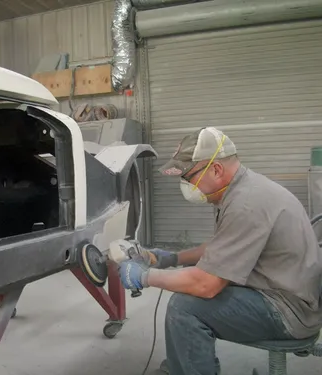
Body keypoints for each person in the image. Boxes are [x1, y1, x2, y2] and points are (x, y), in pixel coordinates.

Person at [117, 126, 322, 375]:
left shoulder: (245, 203)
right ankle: (181, 366)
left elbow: (206, 284)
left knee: (185, 306)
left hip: (289, 312)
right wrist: (170, 258)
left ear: (215, 168)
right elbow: (219, 250)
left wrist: (143, 276)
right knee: (194, 281)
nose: (186, 184)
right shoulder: (239, 190)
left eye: (188, 177)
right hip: (282, 291)